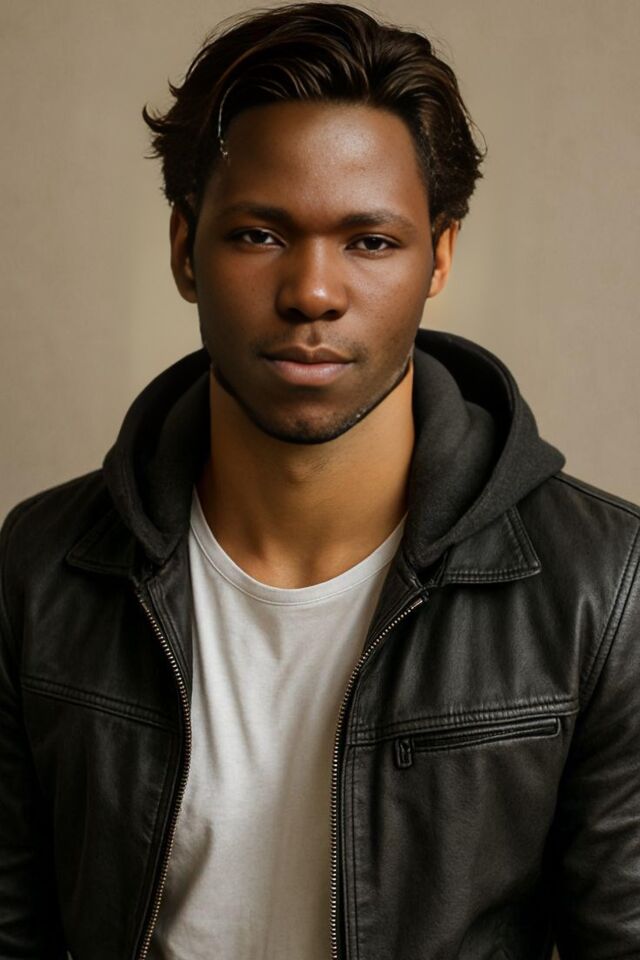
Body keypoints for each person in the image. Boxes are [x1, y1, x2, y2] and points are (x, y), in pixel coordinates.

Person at [1, 3, 639, 957]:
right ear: (184, 249)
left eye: (370, 241)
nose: (312, 292)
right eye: (259, 234)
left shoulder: (602, 585)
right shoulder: (42, 568)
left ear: (440, 256)